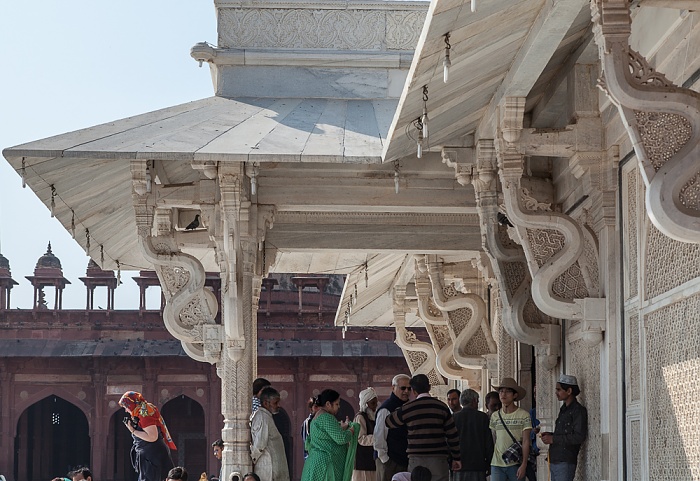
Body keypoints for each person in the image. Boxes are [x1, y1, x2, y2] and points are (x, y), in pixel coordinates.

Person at [385, 374, 460, 481]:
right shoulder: (441, 407)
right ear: (429, 387)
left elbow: (389, 422)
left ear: (413, 391)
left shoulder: (408, 408)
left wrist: (401, 408)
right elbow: (452, 435)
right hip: (438, 459)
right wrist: (456, 458)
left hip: (416, 459)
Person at [300, 389, 359, 481]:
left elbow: (328, 436)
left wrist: (342, 428)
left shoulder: (318, 416)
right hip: (325, 465)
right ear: (328, 404)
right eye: (336, 404)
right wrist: (351, 430)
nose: (339, 407)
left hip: (316, 463)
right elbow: (341, 438)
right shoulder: (326, 417)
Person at [119, 391, 176, 481]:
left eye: (126, 407)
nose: (126, 410)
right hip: (152, 454)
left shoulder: (144, 412)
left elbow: (152, 437)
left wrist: (133, 430)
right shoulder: (142, 410)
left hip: (152, 456)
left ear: (131, 404)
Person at [540, 375, 588, 481]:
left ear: (569, 391)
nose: (556, 393)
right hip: (555, 459)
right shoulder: (563, 409)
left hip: (565, 461)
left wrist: (553, 439)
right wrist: (550, 435)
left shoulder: (578, 410)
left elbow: (578, 436)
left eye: (559, 390)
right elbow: (564, 433)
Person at [489, 379, 532, 481]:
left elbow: (526, 441)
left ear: (515, 395)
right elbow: (494, 439)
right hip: (497, 464)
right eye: (501, 391)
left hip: (515, 462)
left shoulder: (524, 415)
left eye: (508, 391)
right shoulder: (495, 416)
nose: (503, 394)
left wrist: (524, 464)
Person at [374, 374, 411, 481]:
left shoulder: (407, 407)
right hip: (390, 461)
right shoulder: (386, 409)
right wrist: (385, 460)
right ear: (393, 388)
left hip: (403, 460)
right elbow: (379, 437)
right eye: (403, 388)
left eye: (409, 388)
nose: (406, 391)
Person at [452, 389, 494, 481]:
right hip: (478, 465)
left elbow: (450, 441)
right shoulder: (482, 417)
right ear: (474, 401)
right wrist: (489, 464)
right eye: (478, 401)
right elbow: (488, 443)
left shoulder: (454, 417)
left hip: (459, 465)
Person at [250, 387, 290, 481]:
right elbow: (259, 444)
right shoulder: (262, 417)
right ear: (265, 403)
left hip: (272, 467)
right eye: (275, 403)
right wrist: (252, 459)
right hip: (269, 468)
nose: (278, 406)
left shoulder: (266, 416)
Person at [352, 387, 378, 481]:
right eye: (373, 403)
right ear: (366, 404)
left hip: (370, 460)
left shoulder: (371, 417)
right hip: (362, 462)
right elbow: (361, 439)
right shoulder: (360, 417)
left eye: (376, 403)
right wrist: (378, 439)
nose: (375, 406)